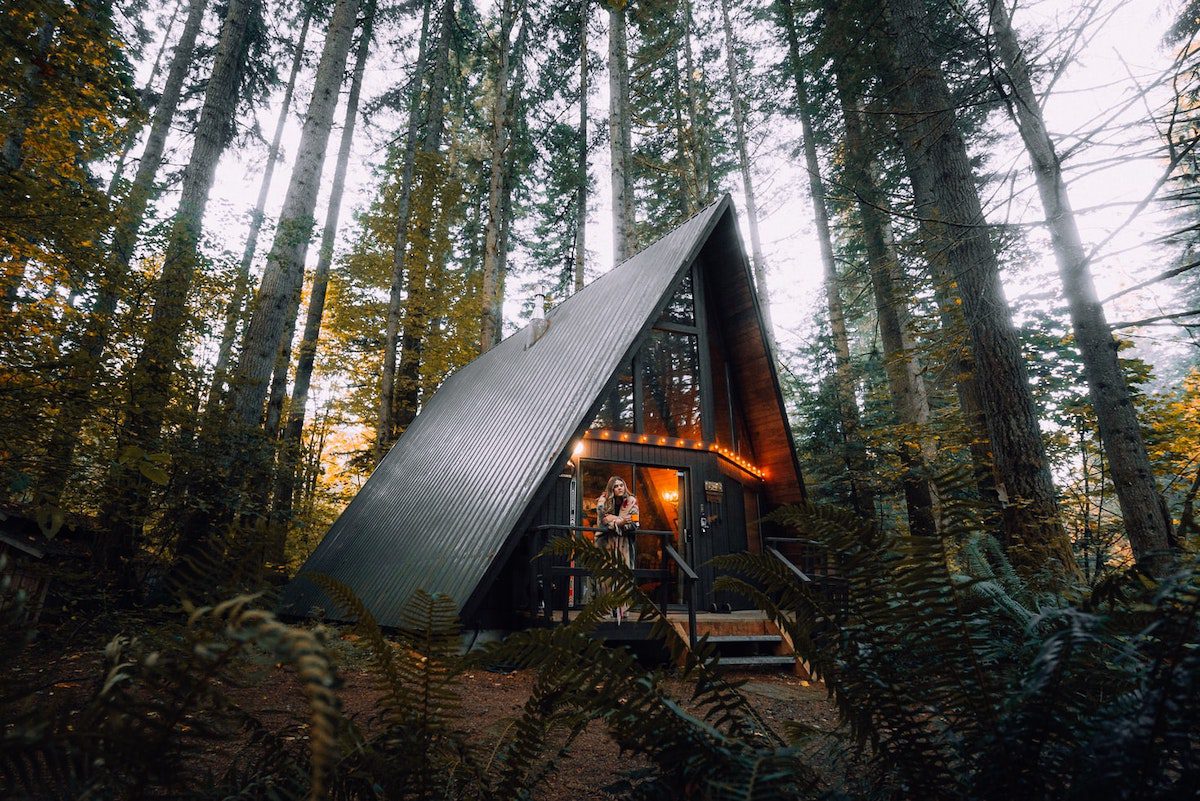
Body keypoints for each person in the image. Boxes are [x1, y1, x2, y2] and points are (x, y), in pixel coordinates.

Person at [595, 476, 639, 620]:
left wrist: (614, 521)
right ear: (611, 488)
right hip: (606, 542)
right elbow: (603, 521)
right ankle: (605, 610)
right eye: (616, 486)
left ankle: (623, 611)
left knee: (624, 576)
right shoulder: (603, 502)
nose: (620, 488)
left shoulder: (632, 502)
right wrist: (620, 522)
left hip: (624, 543)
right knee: (606, 576)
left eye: (621, 485)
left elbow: (634, 523)